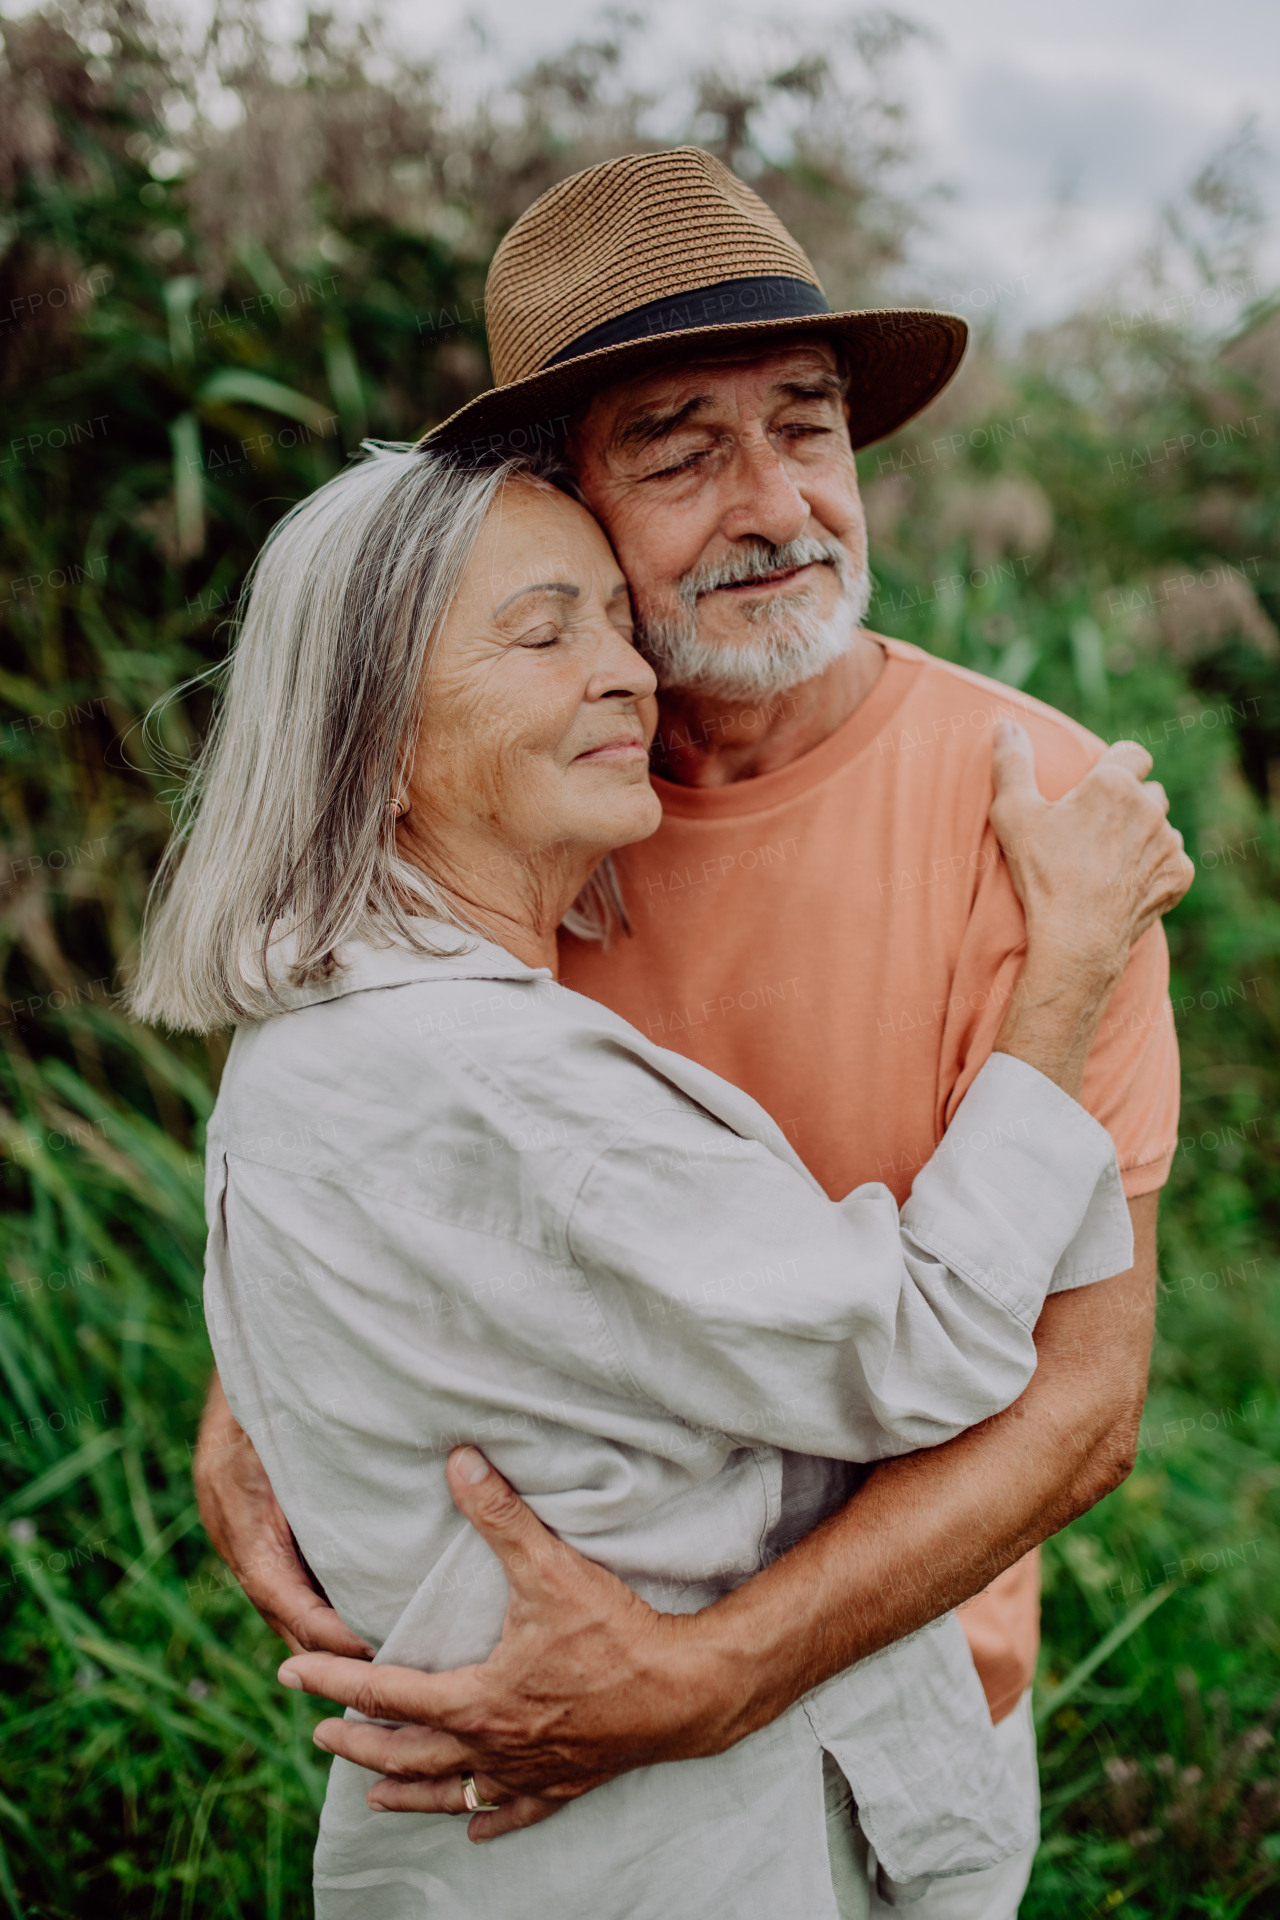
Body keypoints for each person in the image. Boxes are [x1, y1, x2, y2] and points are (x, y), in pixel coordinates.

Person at [191, 150, 1185, 1915]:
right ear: (559, 502)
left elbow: (1081, 1397)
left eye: (806, 426)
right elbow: (394, 1143)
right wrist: (256, 1383)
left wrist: (716, 1675)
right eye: (680, 449)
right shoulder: (526, 786)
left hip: (899, 1708)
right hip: (517, 1748)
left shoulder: (1040, 818)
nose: (775, 501)